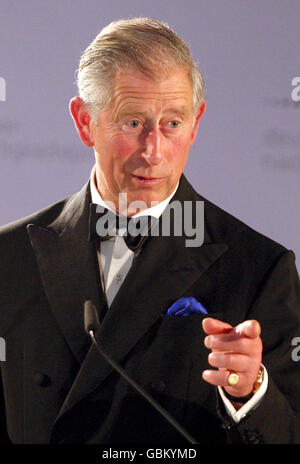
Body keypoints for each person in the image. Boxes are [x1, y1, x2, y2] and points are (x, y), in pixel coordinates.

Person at [0, 17, 299, 445]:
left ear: (195, 124)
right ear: (85, 122)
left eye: (172, 124)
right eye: (133, 123)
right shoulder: (8, 257)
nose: (153, 151)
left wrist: (251, 392)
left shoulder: (259, 268)